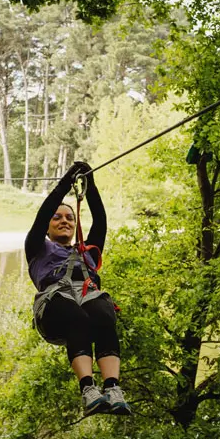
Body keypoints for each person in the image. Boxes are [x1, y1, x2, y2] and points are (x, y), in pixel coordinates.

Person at [25, 161, 132, 416]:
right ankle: (87, 388)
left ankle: (112, 388)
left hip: (86, 297)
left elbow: (101, 221)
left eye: (70, 218)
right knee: (76, 315)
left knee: (104, 314)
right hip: (55, 306)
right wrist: (66, 183)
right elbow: (42, 214)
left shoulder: (88, 252)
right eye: (58, 217)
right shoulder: (37, 247)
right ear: (49, 226)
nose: (64, 220)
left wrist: (90, 183)